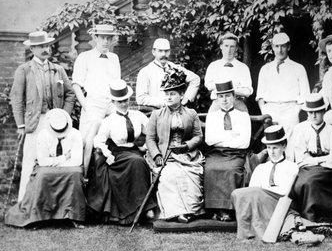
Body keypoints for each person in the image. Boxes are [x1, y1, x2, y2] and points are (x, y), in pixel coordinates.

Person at [10, 31, 75, 202]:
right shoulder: (24, 70)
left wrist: (64, 116)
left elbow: (70, 94)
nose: (45, 49)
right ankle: (24, 203)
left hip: (55, 123)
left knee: (54, 160)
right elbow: (16, 98)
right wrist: (21, 125)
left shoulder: (58, 69)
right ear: (32, 48)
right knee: (30, 162)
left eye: (46, 45)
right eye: (40, 46)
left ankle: (50, 204)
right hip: (34, 122)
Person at [86, 79, 155, 225]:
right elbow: (98, 141)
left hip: (134, 150)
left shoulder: (138, 115)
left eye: (126, 100)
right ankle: (143, 208)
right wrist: (107, 154)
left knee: (138, 161)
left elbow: (151, 133)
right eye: (120, 101)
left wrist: (147, 147)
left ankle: (143, 207)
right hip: (117, 153)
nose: (124, 104)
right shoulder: (109, 120)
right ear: (113, 102)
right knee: (137, 162)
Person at [5, 109, 85, 227]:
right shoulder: (43, 135)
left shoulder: (76, 135)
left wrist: (54, 162)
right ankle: (38, 217)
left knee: (76, 174)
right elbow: (42, 161)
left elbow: (77, 161)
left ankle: (73, 216)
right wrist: (64, 157)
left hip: (67, 167)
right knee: (42, 175)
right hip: (52, 166)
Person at [146, 68, 205, 223]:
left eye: (172, 94)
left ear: (181, 95)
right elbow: (150, 139)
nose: (169, 97)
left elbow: (198, 136)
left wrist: (186, 146)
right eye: (166, 93)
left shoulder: (191, 113)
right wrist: (157, 155)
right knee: (169, 175)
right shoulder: (156, 115)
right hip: (165, 156)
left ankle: (190, 211)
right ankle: (176, 212)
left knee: (190, 174)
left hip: (187, 154)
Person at [231, 125, 298, 239]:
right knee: (237, 193)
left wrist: (264, 193)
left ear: (284, 146)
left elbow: (288, 192)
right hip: (260, 200)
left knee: (256, 193)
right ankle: (245, 231)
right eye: (269, 147)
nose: (271, 152)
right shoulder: (261, 168)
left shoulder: (292, 167)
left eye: (275, 148)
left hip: (279, 201)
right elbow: (252, 191)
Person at [71, 24, 121, 176]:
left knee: (118, 134)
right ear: (95, 38)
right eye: (103, 38)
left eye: (109, 38)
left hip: (111, 103)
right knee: (89, 141)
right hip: (93, 103)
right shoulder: (84, 57)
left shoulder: (114, 58)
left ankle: (110, 177)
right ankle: (84, 177)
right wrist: (86, 107)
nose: (106, 41)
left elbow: (116, 84)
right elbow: (76, 85)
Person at [289, 93, 332, 222]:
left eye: (317, 112)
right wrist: (324, 158)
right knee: (298, 183)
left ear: (324, 111)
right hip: (306, 169)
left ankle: (314, 216)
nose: (313, 116)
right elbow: (301, 159)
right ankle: (298, 215)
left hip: (329, 171)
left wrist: (312, 159)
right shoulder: (300, 129)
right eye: (310, 112)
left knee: (310, 181)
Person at [204, 80, 251, 221]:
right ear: (217, 98)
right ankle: (215, 208)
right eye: (221, 96)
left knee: (231, 170)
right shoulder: (212, 116)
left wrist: (223, 138)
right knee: (210, 169)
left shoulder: (242, 116)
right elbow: (209, 140)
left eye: (227, 96)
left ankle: (229, 209)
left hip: (236, 153)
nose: (224, 100)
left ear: (234, 97)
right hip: (216, 153)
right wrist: (232, 136)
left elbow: (244, 142)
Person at [256, 32, 310, 138]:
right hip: (270, 110)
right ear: (272, 47)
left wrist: (295, 111)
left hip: (290, 110)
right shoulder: (265, 69)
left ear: (288, 47)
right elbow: (260, 96)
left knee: (291, 142)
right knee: (272, 142)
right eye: (277, 46)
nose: (280, 50)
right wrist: (264, 110)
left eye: (283, 46)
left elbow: (305, 95)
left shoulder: (298, 68)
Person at [136, 38, 200, 109]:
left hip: (176, 112)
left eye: (166, 51)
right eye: (160, 51)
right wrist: (164, 103)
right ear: (153, 52)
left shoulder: (175, 68)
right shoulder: (145, 72)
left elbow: (195, 79)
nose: (164, 54)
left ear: (169, 52)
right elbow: (141, 98)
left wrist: (186, 99)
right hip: (156, 112)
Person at [204, 32, 253, 112]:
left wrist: (223, 87)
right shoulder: (213, 66)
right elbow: (209, 85)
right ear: (221, 47)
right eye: (226, 46)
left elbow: (247, 91)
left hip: (237, 102)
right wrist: (235, 88)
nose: (229, 50)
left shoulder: (243, 68)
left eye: (232, 46)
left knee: (244, 120)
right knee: (211, 121)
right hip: (218, 103)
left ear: (236, 48)